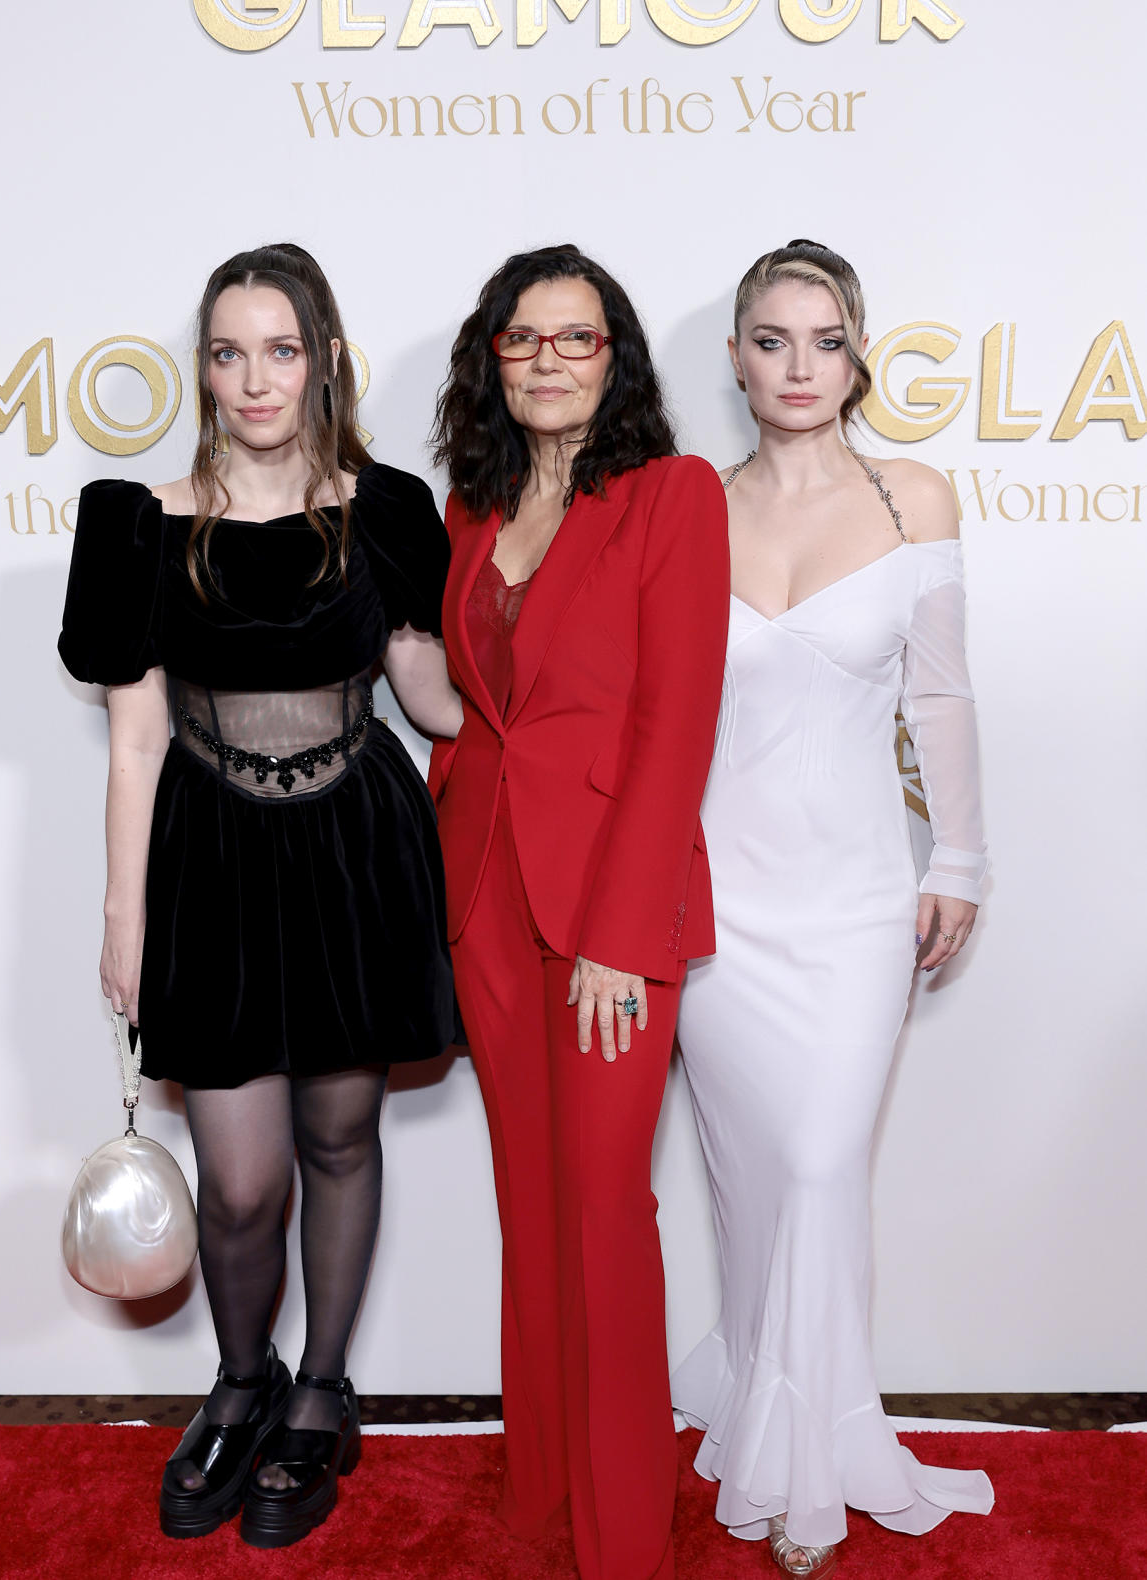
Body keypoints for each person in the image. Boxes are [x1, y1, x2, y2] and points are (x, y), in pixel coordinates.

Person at [58, 243, 460, 1550]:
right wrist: (127, 915)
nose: (253, 377)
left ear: (324, 359)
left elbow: (435, 700)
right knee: (237, 1181)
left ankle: (323, 1393)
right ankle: (244, 1381)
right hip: (215, 865)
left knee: (340, 1138)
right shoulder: (138, 520)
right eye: (228, 352)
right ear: (205, 366)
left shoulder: (386, 508)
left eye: (279, 349)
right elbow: (133, 740)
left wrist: (555, 654)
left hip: (355, 850)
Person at [670, 239, 994, 1576]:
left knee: (817, 1166)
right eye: (769, 338)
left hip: (859, 900)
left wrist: (959, 861)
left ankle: (811, 1454)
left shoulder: (913, 495)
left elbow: (940, 696)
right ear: (735, 357)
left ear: (857, 354)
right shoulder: (682, 505)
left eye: (822, 339)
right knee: (752, 1186)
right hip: (711, 912)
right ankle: (765, 1404)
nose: (796, 366)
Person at [430, 243, 730, 1580]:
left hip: (608, 914)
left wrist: (621, 933)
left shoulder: (669, 497)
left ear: (615, 359)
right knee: (531, 1215)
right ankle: (541, 1509)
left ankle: (619, 1542)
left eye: (577, 337)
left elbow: (675, 724)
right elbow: (472, 711)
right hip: (485, 897)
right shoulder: (470, 507)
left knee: (605, 1222)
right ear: (490, 358)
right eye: (523, 338)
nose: (549, 360)